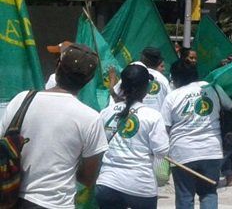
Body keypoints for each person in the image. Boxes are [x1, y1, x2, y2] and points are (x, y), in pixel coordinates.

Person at [0, 43, 108, 209]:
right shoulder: (91, 118)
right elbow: (88, 178)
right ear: (89, 80)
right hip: (55, 204)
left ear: (57, 66)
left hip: (10, 198)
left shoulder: (22, 99)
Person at [161, 59, 232, 209]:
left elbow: (165, 128)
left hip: (182, 153)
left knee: (185, 196)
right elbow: (229, 105)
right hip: (211, 151)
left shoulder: (172, 97)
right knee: (209, 193)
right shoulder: (212, 88)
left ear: (176, 78)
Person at [96, 64, 170, 209]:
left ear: (122, 86)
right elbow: (161, 152)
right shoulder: (153, 116)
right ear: (146, 88)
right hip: (141, 187)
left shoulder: (106, 112)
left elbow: (98, 146)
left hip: (107, 184)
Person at [114, 46, 172, 114]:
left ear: (143, 58)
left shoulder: (133, 72)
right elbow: (169, 102)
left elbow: (116, 93)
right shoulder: (163, 79)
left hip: (128, 114)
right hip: (154, 117)